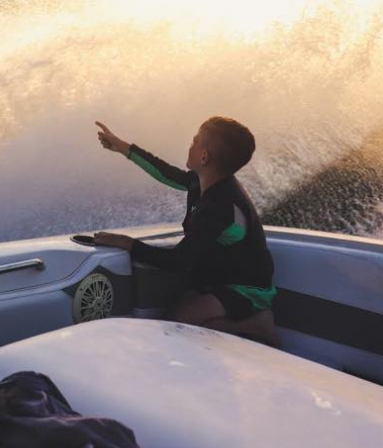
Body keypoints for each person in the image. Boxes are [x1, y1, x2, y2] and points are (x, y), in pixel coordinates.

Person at [93, 117, 278, 344]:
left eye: (195, 141)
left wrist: (129, 244)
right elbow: (167, 174)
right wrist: (124, 148)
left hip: (247, 288)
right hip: (220, 278)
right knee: (175, 312)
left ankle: (258, 325)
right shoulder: (204, 181)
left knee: (175, 325)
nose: (189, 145)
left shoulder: (220, 208)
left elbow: (179, 261)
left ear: (204, 156)